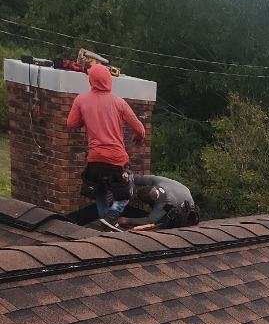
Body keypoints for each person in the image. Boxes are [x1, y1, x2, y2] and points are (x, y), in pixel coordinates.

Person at [66, 63, 145, 226]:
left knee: (100, 192)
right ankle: (112, 216)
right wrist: (139, 138)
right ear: (109, 80)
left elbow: (71, 124)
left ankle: (106, 222)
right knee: (126, 193)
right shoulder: (119, 102)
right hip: (116, 160)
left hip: (94, 160)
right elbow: (140, 129)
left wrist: (85, 118)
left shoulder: (81, 100)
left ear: (91, 80)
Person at [129, 174, 199, 229]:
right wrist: (129, 177)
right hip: (185, 192)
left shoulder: (164, 203)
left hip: (187, 213)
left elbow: (150, 220)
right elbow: (138, 178)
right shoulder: (158, 180)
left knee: (161, 223)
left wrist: (128, 220)